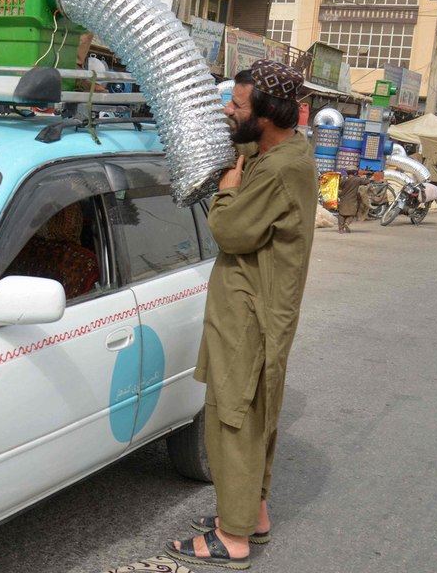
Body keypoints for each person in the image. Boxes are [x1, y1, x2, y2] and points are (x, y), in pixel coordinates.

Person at [167, 61, 317, 570]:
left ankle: (231, 539)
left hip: (253, 314)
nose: (229, 111)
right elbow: (244, 147)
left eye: (237, 105)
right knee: (252, 415)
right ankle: (252, 517)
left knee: (233, 419)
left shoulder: (278, 169)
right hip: (250, 307)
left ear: (268, 115)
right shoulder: (282, 150)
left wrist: (228, 185)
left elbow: (231, 232)